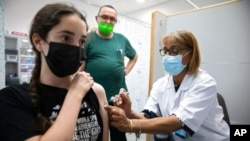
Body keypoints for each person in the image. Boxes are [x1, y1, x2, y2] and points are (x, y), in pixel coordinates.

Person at [0, 3, 109, 141]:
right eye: (65, 38)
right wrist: (75, 92)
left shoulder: (96, 91)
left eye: (81, 41)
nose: (76, 48)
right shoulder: (11, 99)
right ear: (38, 41)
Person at [105, 30, 230, 141]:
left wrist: (130, 125)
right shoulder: (160, 84)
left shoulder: (205, 82)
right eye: (165, 51)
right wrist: (129, 111)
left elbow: (178, 122)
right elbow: (148, 119)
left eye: (174, 50)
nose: (168, 55)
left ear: (191, 54)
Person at [82, 5, 138, 141]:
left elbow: (134, 56)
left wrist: (126, 71)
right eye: (104, 17)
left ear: (115, 22)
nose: (108, 21)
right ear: (97, 18)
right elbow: (81, 64)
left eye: (112, 19)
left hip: (117, 98)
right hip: (93, 97)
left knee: (119, 133)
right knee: (95, 133)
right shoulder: (88, 38)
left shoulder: (121, 39)